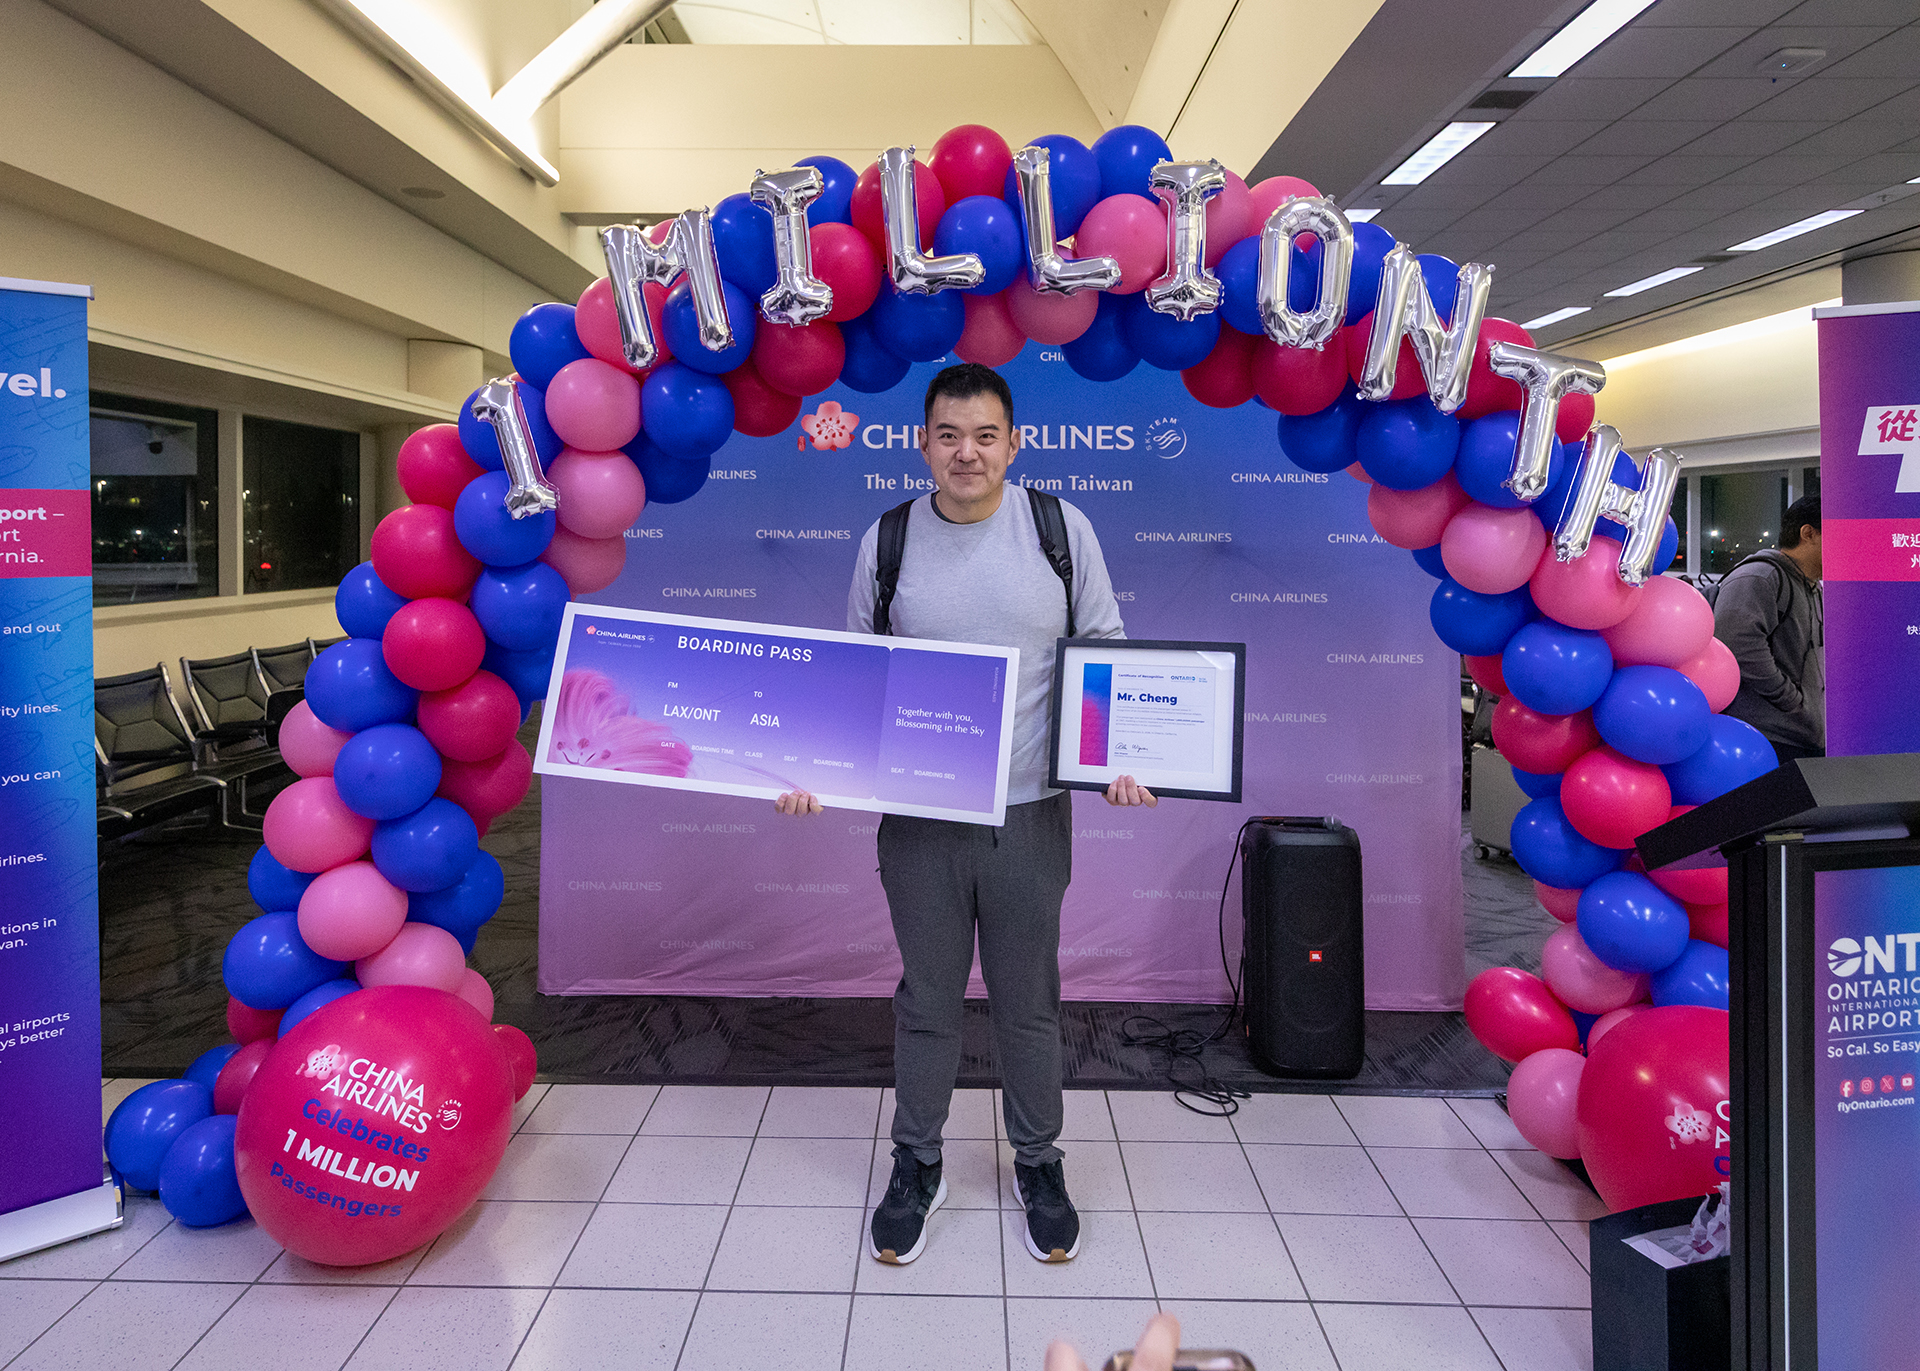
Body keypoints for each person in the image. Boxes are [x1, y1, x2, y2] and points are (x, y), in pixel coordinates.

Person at [774, 361, 1153, 1267]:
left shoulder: (1061, 530)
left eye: (986, 436)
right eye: (949, 435)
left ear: (1014, 443)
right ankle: (918, 1159)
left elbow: (1104, 648)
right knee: (929, 998)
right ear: (923, 443)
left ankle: (1038, 1162)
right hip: (919, 816)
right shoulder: (891, 537)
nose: (968, 453)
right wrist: (809, 766)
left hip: (1031, 812)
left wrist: (1119, 755)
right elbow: (852, 671)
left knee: (1029, 1002)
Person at [1711, 493, 1824, 764]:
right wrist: (1790, 700)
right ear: (1808, 533)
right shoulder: (1759, 577)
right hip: (1766, 738)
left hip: (1802, 734)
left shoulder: (1813, 587)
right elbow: (1738, 646)